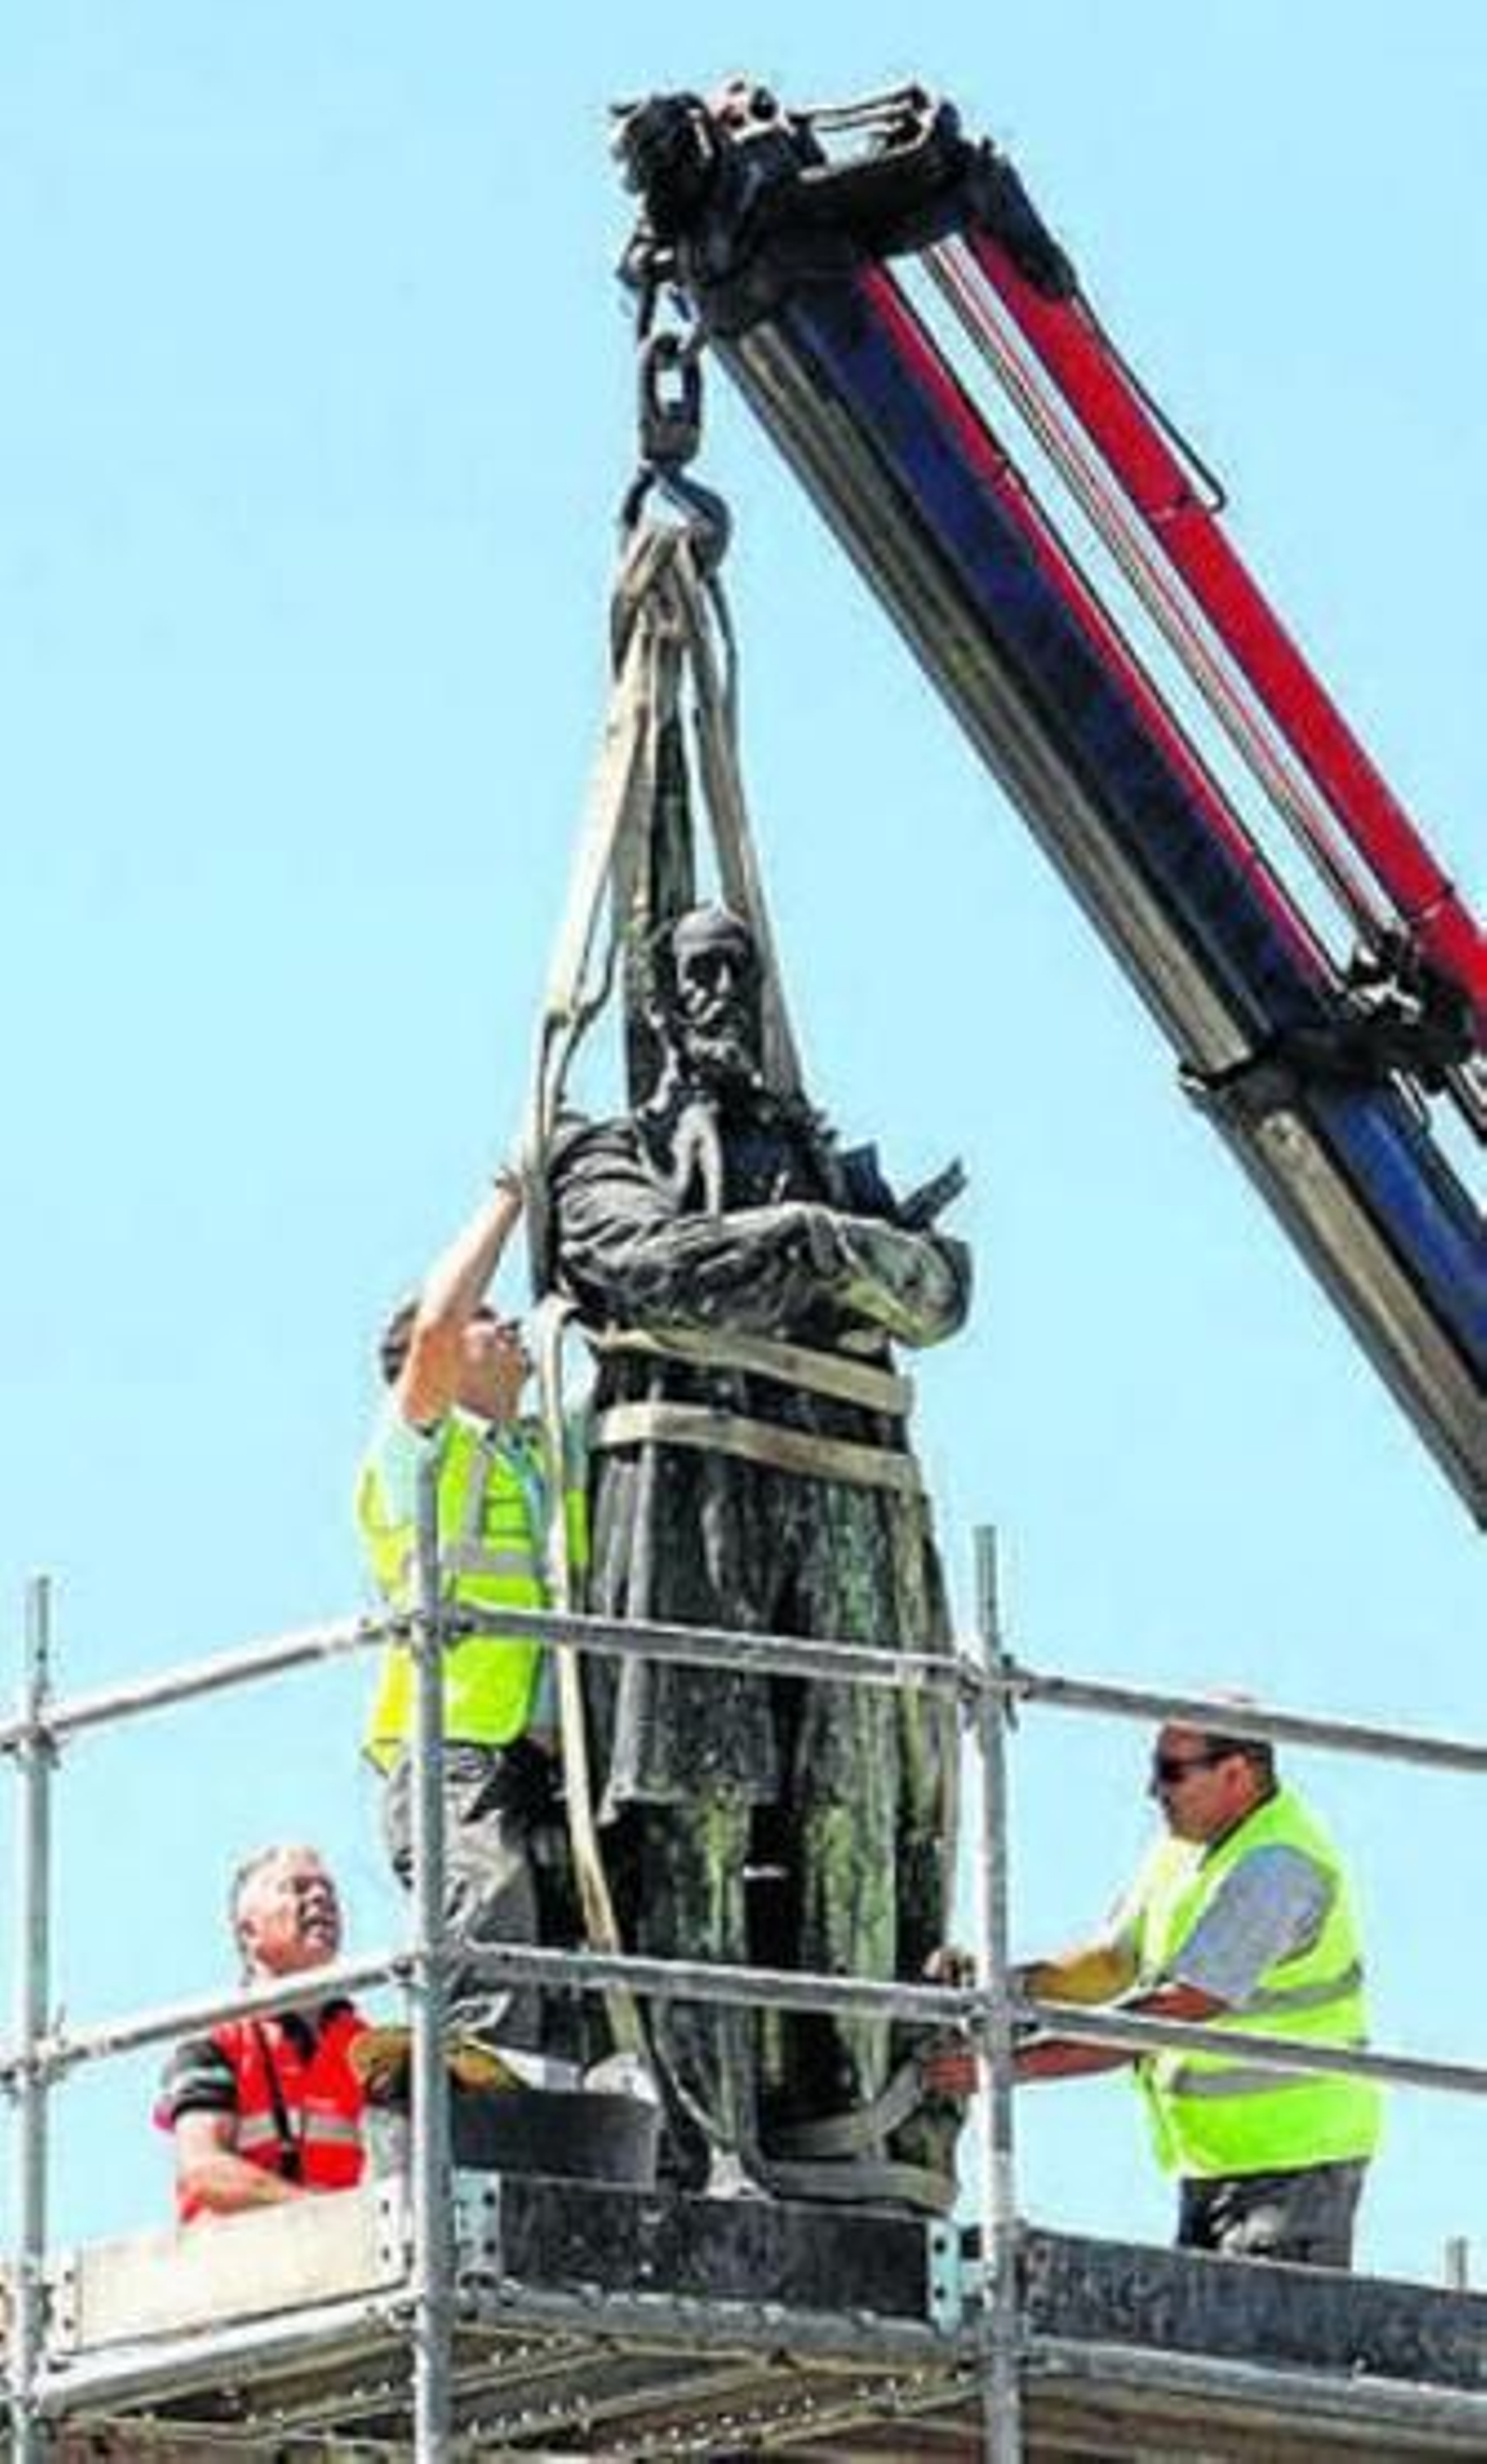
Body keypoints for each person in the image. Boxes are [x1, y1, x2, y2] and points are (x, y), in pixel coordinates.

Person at [546, 903, 971, 2207]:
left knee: (852, 1808)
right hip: (685, 1514)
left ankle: (848, 2122)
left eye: (742, 970)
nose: (726, 994)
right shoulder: (602, 1147)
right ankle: (703, 2131)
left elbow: (943, 1289)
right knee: (697, 1814)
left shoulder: (820, 1156)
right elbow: (646, 1264)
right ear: (658, 1002)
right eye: (699, 973)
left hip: (846, 1510)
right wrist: (813, 1251)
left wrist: (823, 1242)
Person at [933, 1721, 1383, 2267]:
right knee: (1210, 2337)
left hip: (1297, 2163)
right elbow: (1113, 1962)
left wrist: (1004, 2066)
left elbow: (1171, 2014)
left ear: (1236, 1773)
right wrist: (1011, 1985)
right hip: (1215, 2161)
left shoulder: (1276, 1867)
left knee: (1256, 2342)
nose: (1154, 1791)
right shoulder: (1181, 1851)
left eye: (1171, 1773)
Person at [356, 1172, 586, 2078]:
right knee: (486, 1911)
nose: (508, 1331)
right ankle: (477, 2107)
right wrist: (509, 1198)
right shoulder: (419, 1445)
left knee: (556, 1948)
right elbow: (438, 1332)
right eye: (493, 1321)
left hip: (541, 1750)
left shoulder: (533, 1455)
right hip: (453, 1741)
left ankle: (553, 2109)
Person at [156, 1846, 368, 2222]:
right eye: (298, 1888)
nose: (320, 1899)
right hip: (244, 2266)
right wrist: (320, 2217)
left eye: (327, 1891)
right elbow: (204, 2170)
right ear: (249, 1931)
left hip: (352, 2264)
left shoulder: (371, 2049)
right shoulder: (215, 2044)